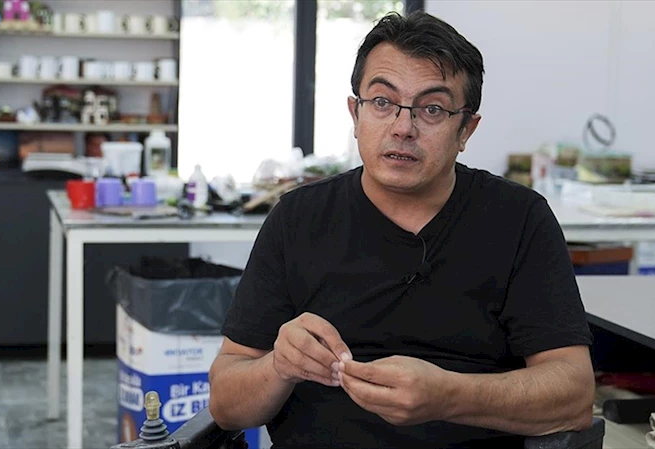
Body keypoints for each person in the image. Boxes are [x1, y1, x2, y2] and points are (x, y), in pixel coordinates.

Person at [209, 10, 595, 449]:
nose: (402, 127)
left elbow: (574, 395)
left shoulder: (519, 219)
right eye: (381, 102)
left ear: (466, 129)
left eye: (432, 109)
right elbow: (226, 404)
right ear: (355, 114)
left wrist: (449, 396)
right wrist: (279, 365)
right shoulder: (297, 219)